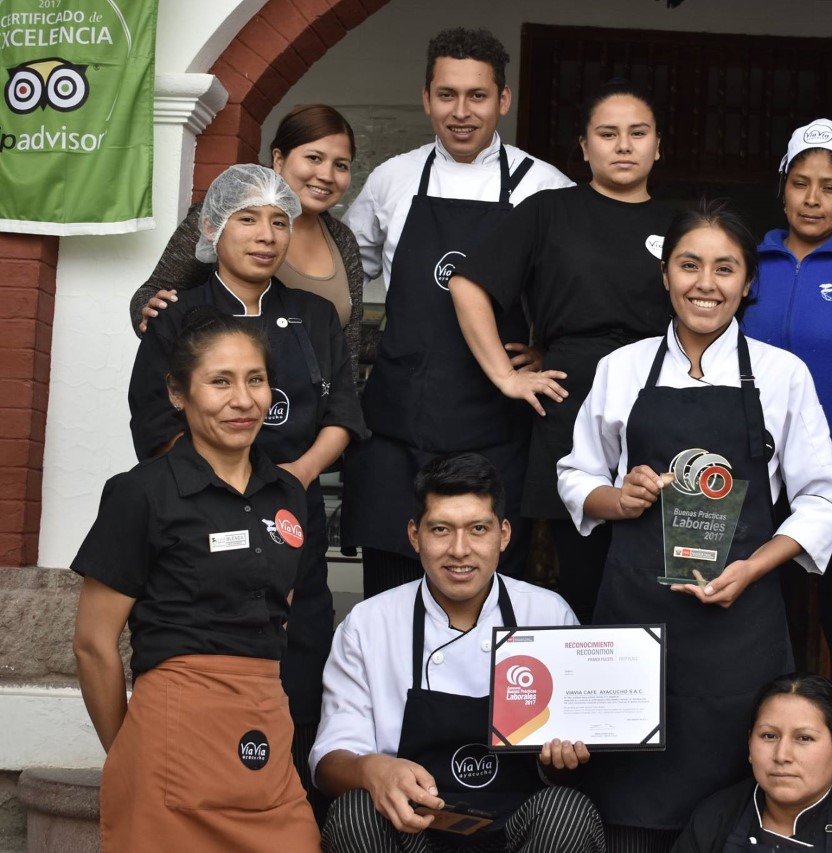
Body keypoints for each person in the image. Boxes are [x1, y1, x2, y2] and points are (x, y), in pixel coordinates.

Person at [557, 200, 832, 850]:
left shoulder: (781, 375)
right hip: (634, 620)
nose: (705, 283)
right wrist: (619, 497)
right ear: (666, 274)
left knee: (730, 816)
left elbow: (825, 500)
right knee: (629, 804)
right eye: (689, 265)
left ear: (748, 282)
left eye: (725, 268)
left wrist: (753, 566)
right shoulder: (623, 368)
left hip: (737, 629)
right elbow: (575, 476)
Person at [127, 164, 368, 816]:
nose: (266, 235)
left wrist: (288, 482)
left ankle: (290, 814)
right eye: (248, 219)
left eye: (279, 221)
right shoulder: (179, 315)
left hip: (297, 519)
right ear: (211, 229)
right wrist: (237, 488)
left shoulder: (314, 314)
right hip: (203, 526)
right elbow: (155, 423)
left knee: (299, 668)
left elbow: (343, 416)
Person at [73, 309, 321, 852]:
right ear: (178, 394)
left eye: (255, 380)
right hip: (174, 730)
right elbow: (94, 645)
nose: (243, 400)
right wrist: (129, 752)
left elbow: (279, 613)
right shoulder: (141, 493)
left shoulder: (288, 494)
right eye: (220, 382)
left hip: (266, 726)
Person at [342, 28, 572, 599]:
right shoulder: (392, 179)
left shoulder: (543, 188)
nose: (461, 112)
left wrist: (548, 349)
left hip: (495, 427)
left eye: (477, 96)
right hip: (399, 422)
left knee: (490, 598)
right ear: (426, 98)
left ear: (503, 100)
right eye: (447, 95)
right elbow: (338, 276)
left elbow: (576, 292)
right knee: (390, 597)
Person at [452, 80, 674, 621]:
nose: (623, 145)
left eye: (637, 133)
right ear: (584, 147)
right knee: (576, 575)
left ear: (658, 146)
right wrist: (506, 374)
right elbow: (467, 285)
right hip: (572, 401)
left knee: (660, 567)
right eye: (607, 133)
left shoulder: (680, 223)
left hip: (663, 398)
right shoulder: (549, 211)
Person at [312, 453, 605, 853]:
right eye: (441, 530)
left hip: (516, 834)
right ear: (415, 535)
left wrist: (561, 762)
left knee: (566, 809)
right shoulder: (369, 624)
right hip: (412, 828)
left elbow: (570, 755)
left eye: (478, 529)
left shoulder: (548, 614)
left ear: (503, 534)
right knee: (355, 811)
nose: (460, 550)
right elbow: (329, 761)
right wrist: (370, 769)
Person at [742, 118, 832, 785]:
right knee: (755, 623)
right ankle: (759, 765)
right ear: (782, 189)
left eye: (829, 187)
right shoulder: (748, 261)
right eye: (800, 183)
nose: (812, 198)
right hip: (749, 480)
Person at [130, 104, 366, 372]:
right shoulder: (224, 216)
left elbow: (350, 343)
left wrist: (345, 410)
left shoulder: (342, 239)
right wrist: (149, 315)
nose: (326, 175)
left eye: (341, 165)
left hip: (312, 406)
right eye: (314, 158)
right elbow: (152, 293)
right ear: (279, 159)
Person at [673, 674, 832, 852]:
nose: (782, 755)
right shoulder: (716, 818)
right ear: (750, 745)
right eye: (769, 736)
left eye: (804, 738)